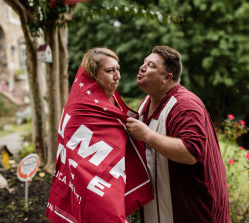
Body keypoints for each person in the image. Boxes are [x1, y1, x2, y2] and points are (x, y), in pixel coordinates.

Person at [46, 48, 153, 223]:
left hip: (115, 176)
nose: (117, 76)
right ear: (93, 75)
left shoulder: (112, 99)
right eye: (110, 71)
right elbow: (75, 148)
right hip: (92, 180)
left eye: (118, 69)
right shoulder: (81, 106)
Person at [126, 46, 230, 223]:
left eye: (151, 65)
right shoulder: (147, 102)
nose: (142, 68)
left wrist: (147, 135)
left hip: (195, 214)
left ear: (166, 78)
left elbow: (190, 153)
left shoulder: (185, 105)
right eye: (144, 62)